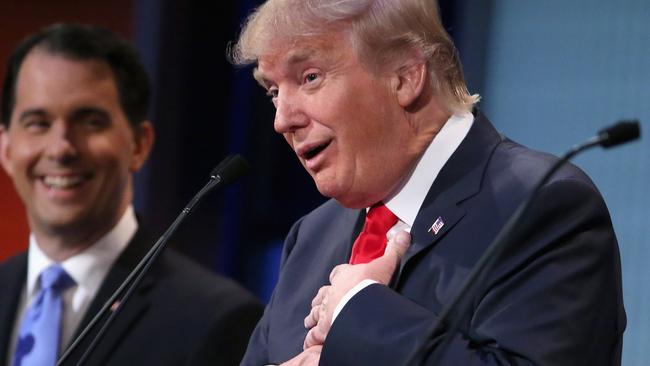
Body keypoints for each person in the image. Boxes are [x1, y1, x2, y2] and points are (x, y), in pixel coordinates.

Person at [231, 0, 626, 365]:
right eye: (273, 92)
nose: (282, 120)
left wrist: (357, 309)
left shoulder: (543, 208)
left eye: (310, 77)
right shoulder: (312, 237)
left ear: (405, 75)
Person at [0, 23, 262, 366]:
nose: (61, 148)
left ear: (140, 144)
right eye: (38, 123)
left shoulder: (218, 318)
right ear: (6, 147)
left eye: (90, 121)